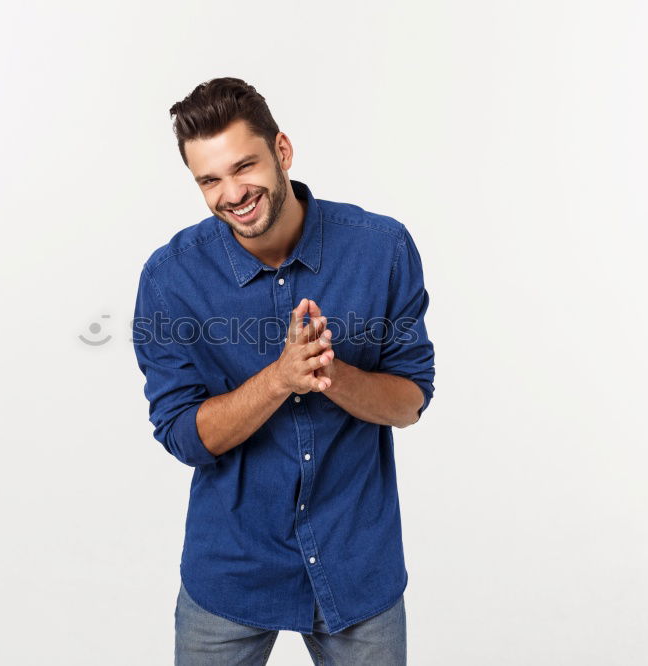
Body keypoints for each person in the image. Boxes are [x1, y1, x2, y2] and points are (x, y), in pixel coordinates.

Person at [131, 77, 435, 665]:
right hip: (231, 570)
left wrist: (331, 374)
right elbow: (184, 437)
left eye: (244, 166)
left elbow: (410, 403)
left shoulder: (382, 249)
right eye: (209, 180)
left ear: (282, 152)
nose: (232, 193)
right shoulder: (170, 280)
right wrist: (280, 379)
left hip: (357, 566)